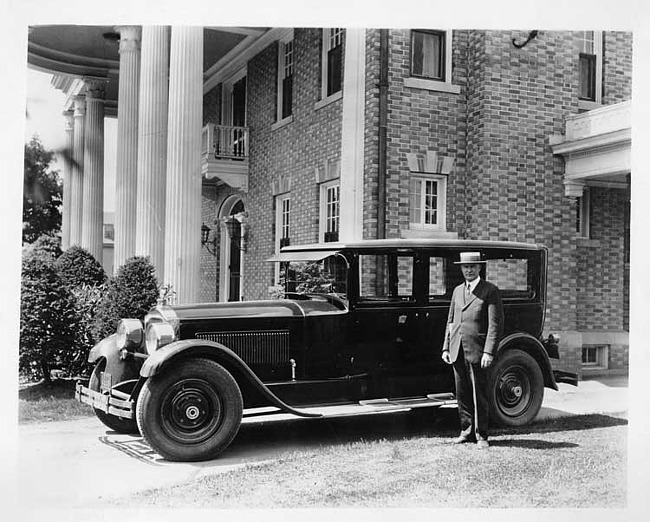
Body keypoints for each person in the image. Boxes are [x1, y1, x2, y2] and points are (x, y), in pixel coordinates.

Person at [441, 252, 504, 448]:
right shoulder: (458, 291)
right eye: (465, 267)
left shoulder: (490, 290)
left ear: (479, 268)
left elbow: (495, 325)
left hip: (478, 351)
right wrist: (446, 347)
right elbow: (451, 321)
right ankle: (466, 431)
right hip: (457, 349)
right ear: (461, 269)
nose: (468, 270)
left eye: (472, 267)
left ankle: (482, 436)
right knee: (462, 393)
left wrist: (489, 352)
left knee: (480, 394)